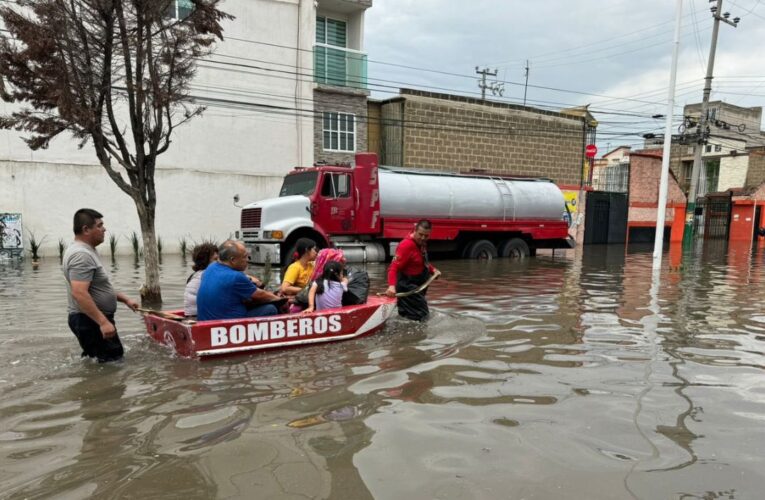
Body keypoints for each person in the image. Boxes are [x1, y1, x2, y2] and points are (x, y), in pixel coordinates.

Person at [62, 208, 139, 362]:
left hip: (91, 319)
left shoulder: (86, 251)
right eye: (99, 225)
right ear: (86, 229)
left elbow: (98, 288)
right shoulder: (81, 255)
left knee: (100, 363)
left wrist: (125, 300)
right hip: (90, 320)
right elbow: (79, 293)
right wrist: (103, 322)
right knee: (113, 365)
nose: (104, 229)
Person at [197, 240, 281, 321]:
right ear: (233, 260)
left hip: (206, 320)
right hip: (226, 324)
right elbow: (262, 295)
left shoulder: (211, 267)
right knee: (271, 309)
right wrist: (280, 299)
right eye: (244, 257)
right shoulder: (236, 277)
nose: (248, 259)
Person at [385, 219, 439, 321]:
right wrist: (391, 286)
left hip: (418, 287)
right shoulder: (406, 245)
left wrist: (432, 270)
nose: (423, 238)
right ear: (415, 230)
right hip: (407, 287)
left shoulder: (421, 243)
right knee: (423, 317)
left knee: (409, 317)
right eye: (421, 234)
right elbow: (393, 267)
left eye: (426, 236)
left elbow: (422, 261)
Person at [184, 243, 219, 317]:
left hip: (190, 315)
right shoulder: (208, 275)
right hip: (198, 317)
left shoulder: (194, 275)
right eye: (215, 259)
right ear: (205, 260)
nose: (219, 262)